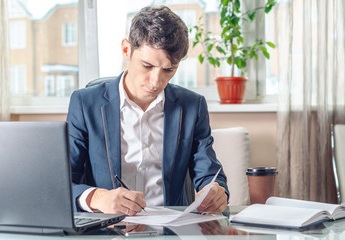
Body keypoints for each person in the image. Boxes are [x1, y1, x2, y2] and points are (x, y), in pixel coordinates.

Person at [67, 5, 229, 216]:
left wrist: (216, 191)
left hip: (170, 229)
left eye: (169, 70)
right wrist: (97, 197)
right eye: (147, 65)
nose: (156, 81)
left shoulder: (192, 106)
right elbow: (60, 182)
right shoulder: (85, 103)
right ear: (127, 50)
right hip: (108, 228)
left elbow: (209, 173)